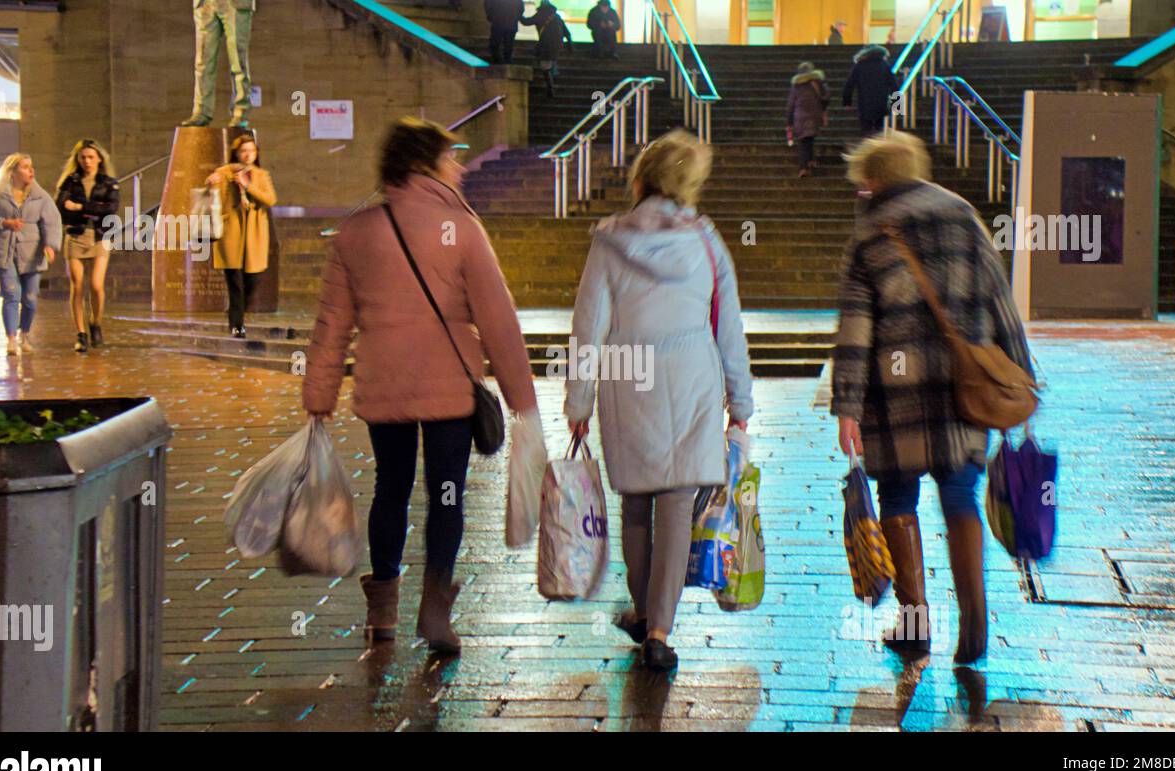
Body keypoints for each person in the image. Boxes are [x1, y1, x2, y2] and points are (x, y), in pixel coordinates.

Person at [302, 118, 538, 655]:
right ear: (424, 163)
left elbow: (331, 325)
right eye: (449, 157)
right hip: (448, 390)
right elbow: (497, 318)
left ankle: (382, 609)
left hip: (383, 384)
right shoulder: (461, 228)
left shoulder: (357, 231)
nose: (457, 166)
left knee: (391, 487)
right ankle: (435, 610)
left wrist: (318, 398)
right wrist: (522, 399)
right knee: (446, 494)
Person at [830, 131, 1034, 665]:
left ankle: (915, 625)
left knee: (899, 499)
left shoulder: (871, 233)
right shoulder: (962, 214)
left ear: (873, 180)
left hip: (895, 396)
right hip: (964, 389)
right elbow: (1000, 299)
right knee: (961, 496)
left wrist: (847, 405)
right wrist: (1020, 374)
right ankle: (974, 625)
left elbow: (856, 328)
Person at [565, 130, 754, 672]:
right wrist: (739, 398)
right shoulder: (706, 241)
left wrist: (578, 401)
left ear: (641, 180)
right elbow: (728, 325)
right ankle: (661, 630)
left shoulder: (608, 240)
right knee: (676, 505)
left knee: (637, 504)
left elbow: (588, 325)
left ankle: (645, 609)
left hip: (629, 379)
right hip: (692, 376)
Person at [0, 153, 61, 356]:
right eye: (25, 167)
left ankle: (25, 334)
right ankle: (11, 339)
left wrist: (50, 245)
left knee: (31, 298)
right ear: (12, 171)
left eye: (31, 166)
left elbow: (52, 222)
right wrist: (4, 223)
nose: (31, 171)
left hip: (32, 252)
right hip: (4, 252)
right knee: (11, 294)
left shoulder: (41, 197)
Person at [205, 133, 276, 338]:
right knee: (235, 282)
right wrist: (210, 182)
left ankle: (236, 313)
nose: (247, 155)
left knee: (252, 280)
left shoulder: (261, 175)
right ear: (236, 152)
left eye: (251, 151)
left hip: (254, 234)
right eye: (243, 151)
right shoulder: (225, 172)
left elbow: (270, 199)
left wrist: (248, 186)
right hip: (231, 233)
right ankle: (237, 325)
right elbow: (209, 190)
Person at [55, 139, 120, 353]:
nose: (87, 161)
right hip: (75, 236)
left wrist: (81, 206)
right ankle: (81, 333)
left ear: (99, 158)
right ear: (77, 159)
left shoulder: (109, 183)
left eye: (91, 157)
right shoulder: (70, 182)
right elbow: (63, 210)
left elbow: (110, 210)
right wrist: (92, 209)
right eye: (83, 157)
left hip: (100, 236)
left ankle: (96, 322)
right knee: (78, 285)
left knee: (96, 285)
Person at [182, 0, 255, 127]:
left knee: (238, 60)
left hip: (235, 3)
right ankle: (201, 111)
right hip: (205, 4)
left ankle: (240, 111)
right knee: (202, 62)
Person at [786, 62, 831, 178]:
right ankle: (810, 160)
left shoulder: (796, 85)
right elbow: (826, 97)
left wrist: (788, 121)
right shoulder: (818, 82)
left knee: (802, 141)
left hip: (799, 116)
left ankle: (803, 167)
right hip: (814, 114)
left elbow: (791, 104)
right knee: (809, 138)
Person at [842, 44, 897, 136]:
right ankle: (878, 147)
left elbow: (849, 84)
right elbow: (894, 85)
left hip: (865, 103)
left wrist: (847, 102)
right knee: (880, 129)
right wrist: (897, 105)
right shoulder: (884, 65)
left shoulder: (860, 66)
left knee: (866, 129)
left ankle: (868, 146)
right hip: (881, 103)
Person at [522, 1, 573, 98]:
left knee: (545, 67)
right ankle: (553, 76)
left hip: (545, 46)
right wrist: (570, 45)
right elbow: (566, 32)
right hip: (557, 45)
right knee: (550, 62)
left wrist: (518, 13)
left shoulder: (540, 15)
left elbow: (526, 22)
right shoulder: (556, 17)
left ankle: (550, 88)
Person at [485, 0, 524, 65]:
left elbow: (488, 4)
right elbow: (521, 8)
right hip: (510, 23)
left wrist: (491, 16)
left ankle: (499, 62)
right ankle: (505, 63)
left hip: (498, 22)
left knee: (495, 45)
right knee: (508, 46)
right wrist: (515, 17)